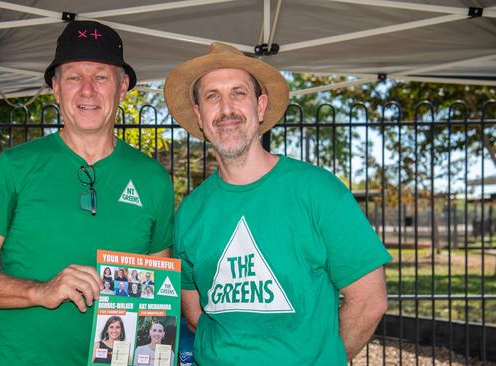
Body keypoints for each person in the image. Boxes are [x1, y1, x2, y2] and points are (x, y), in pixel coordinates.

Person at [0, 20, 174, 365]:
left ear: (122, 86)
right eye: (73, 77)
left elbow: (158, 295)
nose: (87, 90)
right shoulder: (16, 166)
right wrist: (40, 291)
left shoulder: (153, 179)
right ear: (55, 87)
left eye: (100, 76)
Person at [165, 43, 391, 365]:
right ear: (200, 116)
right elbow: (193, 311)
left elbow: (370, 299)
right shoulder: (190, 211)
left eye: (238, 93)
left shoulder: (317, 190)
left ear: (260, 106)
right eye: (212, 96)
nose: (226, 108)